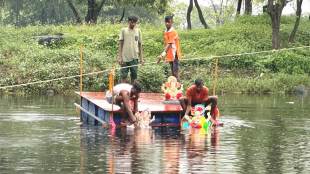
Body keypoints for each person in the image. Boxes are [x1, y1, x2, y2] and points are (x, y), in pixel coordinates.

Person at [118, 16, 144, 83]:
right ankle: (123, 92)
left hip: (135, 58)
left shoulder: (138, 31)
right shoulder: (123, 30)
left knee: (134, 76)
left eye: (135, 23)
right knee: (123, 76)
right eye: (132, 22)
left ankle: (133, 92)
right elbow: (120, 44)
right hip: (124, 58)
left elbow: (140, 45)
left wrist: (141, 58)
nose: (133, 24)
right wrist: (120, 57)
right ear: (128, 22)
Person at [157, 15, 182, 80]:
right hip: (169, 54)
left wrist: (162, 55)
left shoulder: (173, 32)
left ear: (172, 22)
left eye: (169, 22)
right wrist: (164, 55)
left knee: (175, 72)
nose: (167, 23)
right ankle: (173, 88)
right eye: (166, 22)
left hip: (175, 54)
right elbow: (166, 44)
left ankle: (179, 88)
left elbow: (169, 44)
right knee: (172, 73)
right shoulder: (165, 32)